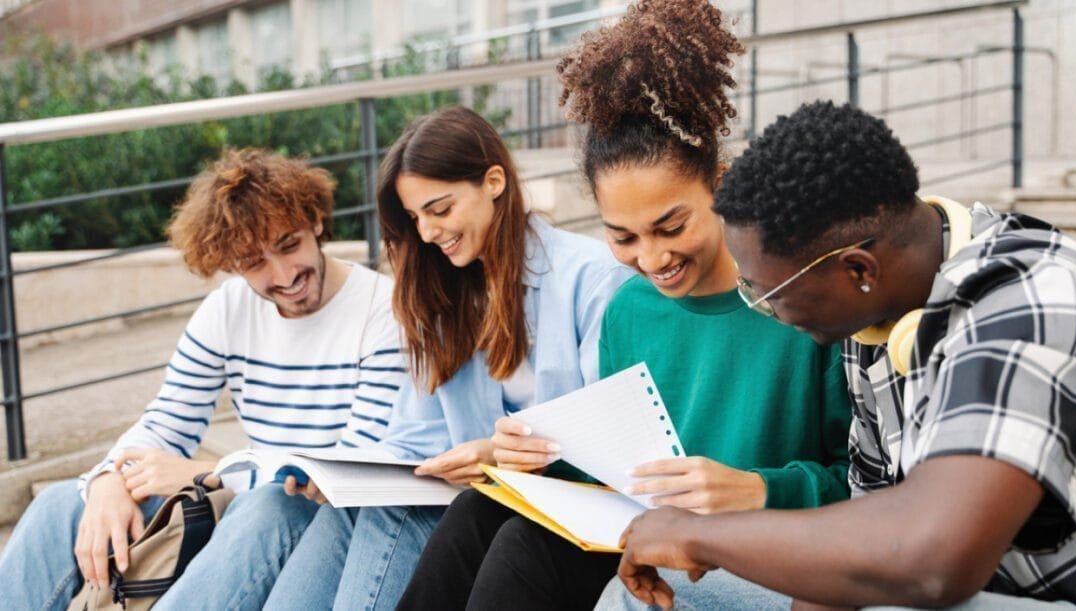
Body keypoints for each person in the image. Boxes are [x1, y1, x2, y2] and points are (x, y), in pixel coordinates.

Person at [397, 3, 853, 609]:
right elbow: (618, 467)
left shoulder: (802, 298)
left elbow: (863, 479)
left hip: (760, 547)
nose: (651, 257)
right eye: (623, 236)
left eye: (670, 226)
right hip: (649, 530)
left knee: (524, 557)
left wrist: (754, 488)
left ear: (719, 186)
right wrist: (534, 458)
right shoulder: (631, 308)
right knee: (482, 512)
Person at [610, 100, 1076, 611]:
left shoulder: (1034, 297)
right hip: (934, 587)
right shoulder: (870, 324)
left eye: (768, 294)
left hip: (1055, 597)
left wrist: (698, 537)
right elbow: (851, 556)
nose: (766, 312)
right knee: (648, 598)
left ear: (858, 270)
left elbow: (932, 562)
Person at [0, 149, 407, 611]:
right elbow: (169, 421)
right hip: (248, 503)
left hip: (321, 518)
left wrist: (209, 473)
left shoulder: (383, 310)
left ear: (315, 221)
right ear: (231, 263)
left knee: (269, 506)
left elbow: (347, 471)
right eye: (254, 262)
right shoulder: (228, 309)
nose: (284, 274)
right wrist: (109, 478)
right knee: (61, 504)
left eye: (289, 244)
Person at [260, 105, 630, 611]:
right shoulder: (440, 297)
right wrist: (346, 475)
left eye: (440, 209)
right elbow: (416, 436)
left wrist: (494, 452)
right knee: (348, 510)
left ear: (494, 181)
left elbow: (611, 431)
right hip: (487, 498)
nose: (429, 232)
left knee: (431, 516)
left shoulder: (591, 278)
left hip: (573, 502)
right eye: (415, 219)